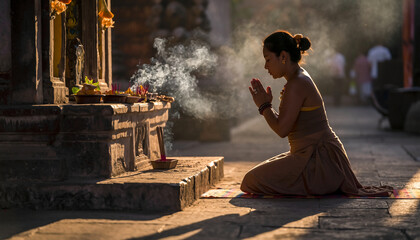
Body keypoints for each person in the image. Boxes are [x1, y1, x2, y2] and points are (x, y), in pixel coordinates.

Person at [240, 30, 392, 196]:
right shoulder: (297, 79)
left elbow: (282, 130)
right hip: (318, 157)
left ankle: (322, 182)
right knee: (260, 173)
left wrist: (264, 106)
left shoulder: (297, 83)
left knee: (251, 180)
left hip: (320, 162)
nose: (266, 66)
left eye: (268, 59)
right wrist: (266, 106)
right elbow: (285, 124)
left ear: (283, 56)